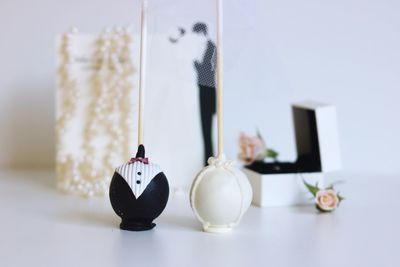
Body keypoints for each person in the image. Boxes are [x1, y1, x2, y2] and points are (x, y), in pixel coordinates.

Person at [192, 22, 217, 166]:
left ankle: (209, 162)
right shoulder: (203, 48)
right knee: (204, 130)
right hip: (203, 90)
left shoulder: (211, 48)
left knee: (207, 130)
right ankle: (207, 162)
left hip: (208, 92)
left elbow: (209, 71)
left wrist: (196, 65)